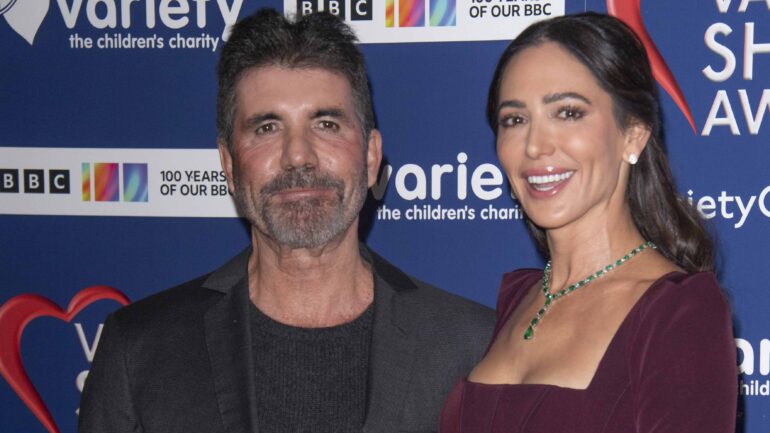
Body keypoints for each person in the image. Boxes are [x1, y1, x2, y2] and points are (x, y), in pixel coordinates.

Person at [78, 9, 494, 433]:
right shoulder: (140, 348)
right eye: (267, 128)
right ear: (228, 164)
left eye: (327, 124)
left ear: (370, 158)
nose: (299, 155)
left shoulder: (471, 348)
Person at [440, 12, 736, 433]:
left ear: (633, 133)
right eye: (515, 120)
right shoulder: (520, 297)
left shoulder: (677, 314)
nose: (536, 146)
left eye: (568, 113)